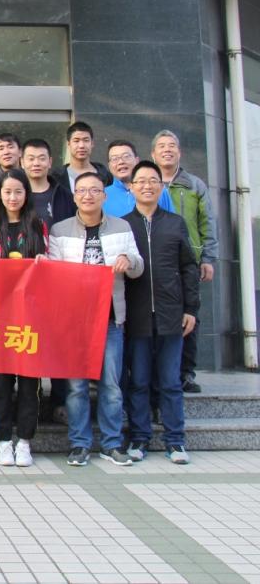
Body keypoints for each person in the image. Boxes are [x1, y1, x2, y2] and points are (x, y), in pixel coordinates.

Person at [49, 172, 143, 467]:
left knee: (111, 385)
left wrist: (129, 260)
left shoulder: (121, 226)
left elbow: (138, 267)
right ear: (74, 196)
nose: (87, 196)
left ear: (104, 195)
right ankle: (79, 444)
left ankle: (112, 444)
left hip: (110, 318)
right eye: (82, 191)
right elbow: (53, 273)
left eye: (94, 190)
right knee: (76, 387)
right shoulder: (60, 230)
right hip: (74, 321)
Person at [123, 160, 200, 465]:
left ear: (161, 186)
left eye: (153, 180)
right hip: (136, 316)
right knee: (139, 381)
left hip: (171, 315)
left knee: (170, 382)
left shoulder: (175, 223)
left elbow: (189, 268)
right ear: (131, 188)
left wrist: (191, 309)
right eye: (140, 181)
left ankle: (175, 441)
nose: (147, 186)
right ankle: (139, 438)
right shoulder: (122, 226)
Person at [0, 169, 47, 467]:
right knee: (0, 384)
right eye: (7, 192)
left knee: (30, 384)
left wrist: (45, 263)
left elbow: (50, 266)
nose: (13, 197)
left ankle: (25, 441)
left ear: (26, 194)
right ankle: (4, 440)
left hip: (30, 316)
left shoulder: (39, 225)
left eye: (18, 191)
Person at [152, 130, 217, 393]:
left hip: (188, 260)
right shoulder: (146, 182)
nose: (167, 150)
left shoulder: (194, 185)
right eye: (161, 146)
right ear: (153, 154)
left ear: (179, 152)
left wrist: (208, 257)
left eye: (172, 146)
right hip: (157, 259)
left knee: (190, 316)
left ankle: (186, 372)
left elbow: (207, 222)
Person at [21, 138, 75, 422]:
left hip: (58, 277)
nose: (36, 163)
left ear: (50, 161)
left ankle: (59, 400)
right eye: (30, 158)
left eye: (41, 158)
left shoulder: (64, 195)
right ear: (22, 162)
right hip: (22, 282)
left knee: (58, 341)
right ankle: (28, 403)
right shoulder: (15, 191)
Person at [103, 140, 174, 217]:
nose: (121, 162)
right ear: (109, 166)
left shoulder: (158, 190)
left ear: (137, 160)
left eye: (126, 156)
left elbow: (172, 221)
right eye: (114, 159)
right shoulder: (102, 195)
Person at [52, 121, 113, 191]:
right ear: (68, 144)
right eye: (76, 141)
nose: (81, 146)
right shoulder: (56, 178)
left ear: (92, 144)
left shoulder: (106, 176)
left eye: (86, 140)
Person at [0, 132, 21, 196]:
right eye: (1, 149)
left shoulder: (30, 178)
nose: (6, 152)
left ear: (20, 152)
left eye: (10, 147)